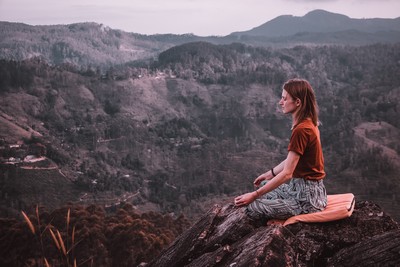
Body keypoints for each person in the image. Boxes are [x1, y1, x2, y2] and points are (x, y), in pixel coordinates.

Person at [234, 78, 327, 223]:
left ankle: (285, 218)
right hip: (304, 190)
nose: (280, 102)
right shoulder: (309, 123)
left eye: (284, 98)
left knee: (251, 207)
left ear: (297, 102)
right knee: (265, 185)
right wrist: (269, 174)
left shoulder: (302, 130)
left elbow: (287, 174)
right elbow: (293, 159)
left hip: (306, 201)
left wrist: (254, 195)